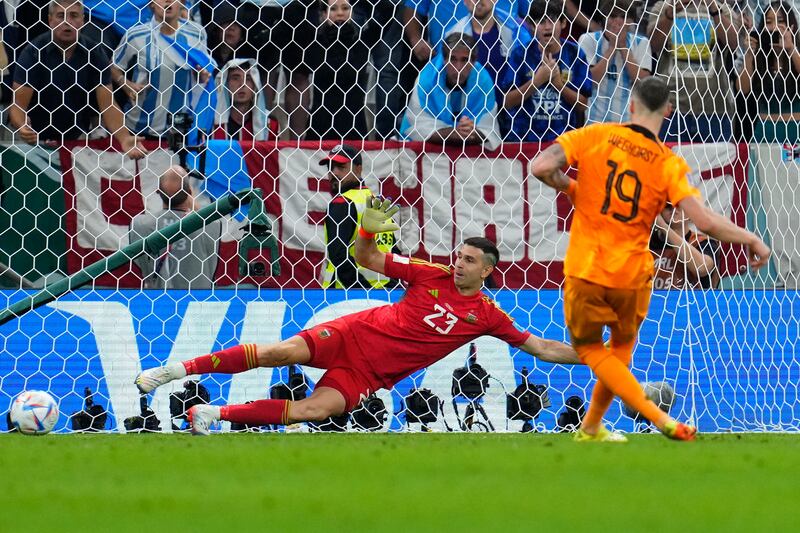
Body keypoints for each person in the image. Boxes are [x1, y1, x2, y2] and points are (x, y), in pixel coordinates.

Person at [135, 223, 581, 434]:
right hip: (352, 334)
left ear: (485, 270)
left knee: (316, 411)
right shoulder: (428, 273)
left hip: (369, 375)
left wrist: (590, 355)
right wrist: (368, 230)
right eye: (458, 256)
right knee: (280, 353)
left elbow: (539, 346)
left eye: (468, 260)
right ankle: (175, 371)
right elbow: (366, 258)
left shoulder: (488, 316)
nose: (458, 263)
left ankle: (212, 415)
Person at [529, 76, 770, 442]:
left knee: (591, 349)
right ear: (668, 111)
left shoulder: (594, 135)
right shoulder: (667, 163)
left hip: (588, 267)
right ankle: (591, 427)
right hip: (634, 275)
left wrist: (574, 188)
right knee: (620, 351)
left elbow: (540, 167)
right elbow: (705, 221)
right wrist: (752, 237)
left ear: (631, 106)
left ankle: (659, 418)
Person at [8, 0, 147, 157]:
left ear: (83, 21)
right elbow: (18, 105)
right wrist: (22, 126)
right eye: (61, 16)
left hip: (77, 140)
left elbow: (108, 105)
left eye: (73, 16)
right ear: (49, 20)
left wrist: (124, 138)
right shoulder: (33, 52)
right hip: (36, 140)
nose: (67, 22)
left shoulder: (94, 53)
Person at [111, 0, 212, 138]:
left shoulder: (196, 34)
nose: (168, 1)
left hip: (178, 126)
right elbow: (113, 66)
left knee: (177, 158)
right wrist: (126, 84)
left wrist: (202, 75)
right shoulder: (136, 35)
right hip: (140, 126)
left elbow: (202, 70)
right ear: (151, 4)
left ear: (182, 3)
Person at [646, 0, 740, 141]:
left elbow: (733, 42)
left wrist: (714, 10)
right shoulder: (664, 6)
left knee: (717, 163)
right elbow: (653, 45)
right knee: (667, 162)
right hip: (671, 109)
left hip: (714, 111)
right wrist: (669, 15)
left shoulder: (723, 9)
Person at [501, 1, 591, 142]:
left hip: (563, 142)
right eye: (540, 21)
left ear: (563, 23)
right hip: (524, 141)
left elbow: (583, 105)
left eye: (553, 20)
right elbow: (507, 102)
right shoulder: (520, 54)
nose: (547, 27)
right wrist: (537, 81)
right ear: (532, 26)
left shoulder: (575, 53)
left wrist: (558, 85)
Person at [128, 165, 223, 289]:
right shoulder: (210, 226)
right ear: (189, 192)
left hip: (157, 301)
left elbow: (140, 263)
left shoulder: (140, 224)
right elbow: (209, 220)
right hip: (196, 302)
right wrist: (193, 202)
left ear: (158, 191)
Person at [401, 32, 502, 149]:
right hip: (425, 152)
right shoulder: (426, 79)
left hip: (470, 155)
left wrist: (473, 131)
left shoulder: (483, 81)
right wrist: (456, 133)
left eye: (465, 60)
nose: (458, 68)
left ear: (474, 62)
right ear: (444, 59)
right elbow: (417, 127)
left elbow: (488, 130)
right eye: (453, 59)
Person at [319, 144, 398, 289]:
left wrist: (363, 291)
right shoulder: (377, 202)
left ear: (358, 169)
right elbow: (393, 250)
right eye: (330, 168)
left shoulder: (342, 203)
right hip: (385, 292)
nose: (333, 173)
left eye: (341, 167)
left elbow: (338, 255)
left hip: (346, 294)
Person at [306, 0, 375, 141]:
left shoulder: (362, 43)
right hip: (320, 128)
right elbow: (296, 13)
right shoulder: (313, 42)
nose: (340, 13)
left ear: (352, 12)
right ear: (324, 14)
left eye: (345, 8)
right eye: (333, 9)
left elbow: (387, 12)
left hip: (354, 128)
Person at [578, 0, 652, 124]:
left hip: (629, 121)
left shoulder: (641, 42)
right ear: (604, 18)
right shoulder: (588, 40)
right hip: (595, 121)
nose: (618, 21)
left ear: (631, 21)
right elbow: (590, 81)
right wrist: (612, 48)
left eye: (623, 17)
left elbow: (643, 83)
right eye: (612, 16)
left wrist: (623, 47)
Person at [737, 1, 800, 142]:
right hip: (765, 133)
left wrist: (791, 49)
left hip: (794, 134)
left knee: (793, 165)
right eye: (769, 22)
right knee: (761, 163)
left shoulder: (797, 54)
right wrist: (749, 54)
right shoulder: (760, 57)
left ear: (792, 25)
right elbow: (742, 89)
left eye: (781, 21)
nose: (775, 27)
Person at [650, 203, 720, 289]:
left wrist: (664, 227)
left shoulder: (703, 242)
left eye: (679, 205)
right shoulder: (646, 241)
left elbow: (702, 268)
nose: (673, 208)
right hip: (651, 300)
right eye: (667, 205)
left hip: (690, 301)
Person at [212, 58, 275, 141]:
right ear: (225, 85)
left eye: (248, 79)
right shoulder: (211, 124)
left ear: (255, 86)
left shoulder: (270, 125)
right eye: (235, 78)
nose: (242, 84)